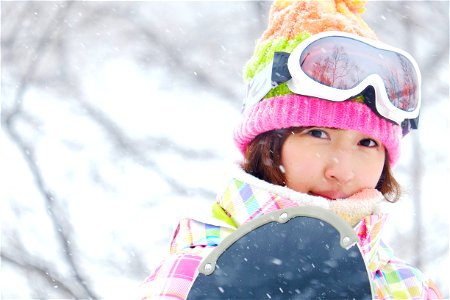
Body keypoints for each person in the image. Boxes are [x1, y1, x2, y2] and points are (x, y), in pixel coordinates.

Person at [139, 0, 442, 298]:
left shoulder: (408, 289)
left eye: (367, 143)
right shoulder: (192, 278)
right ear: (268, 144)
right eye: (318, 134)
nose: (341, 170)